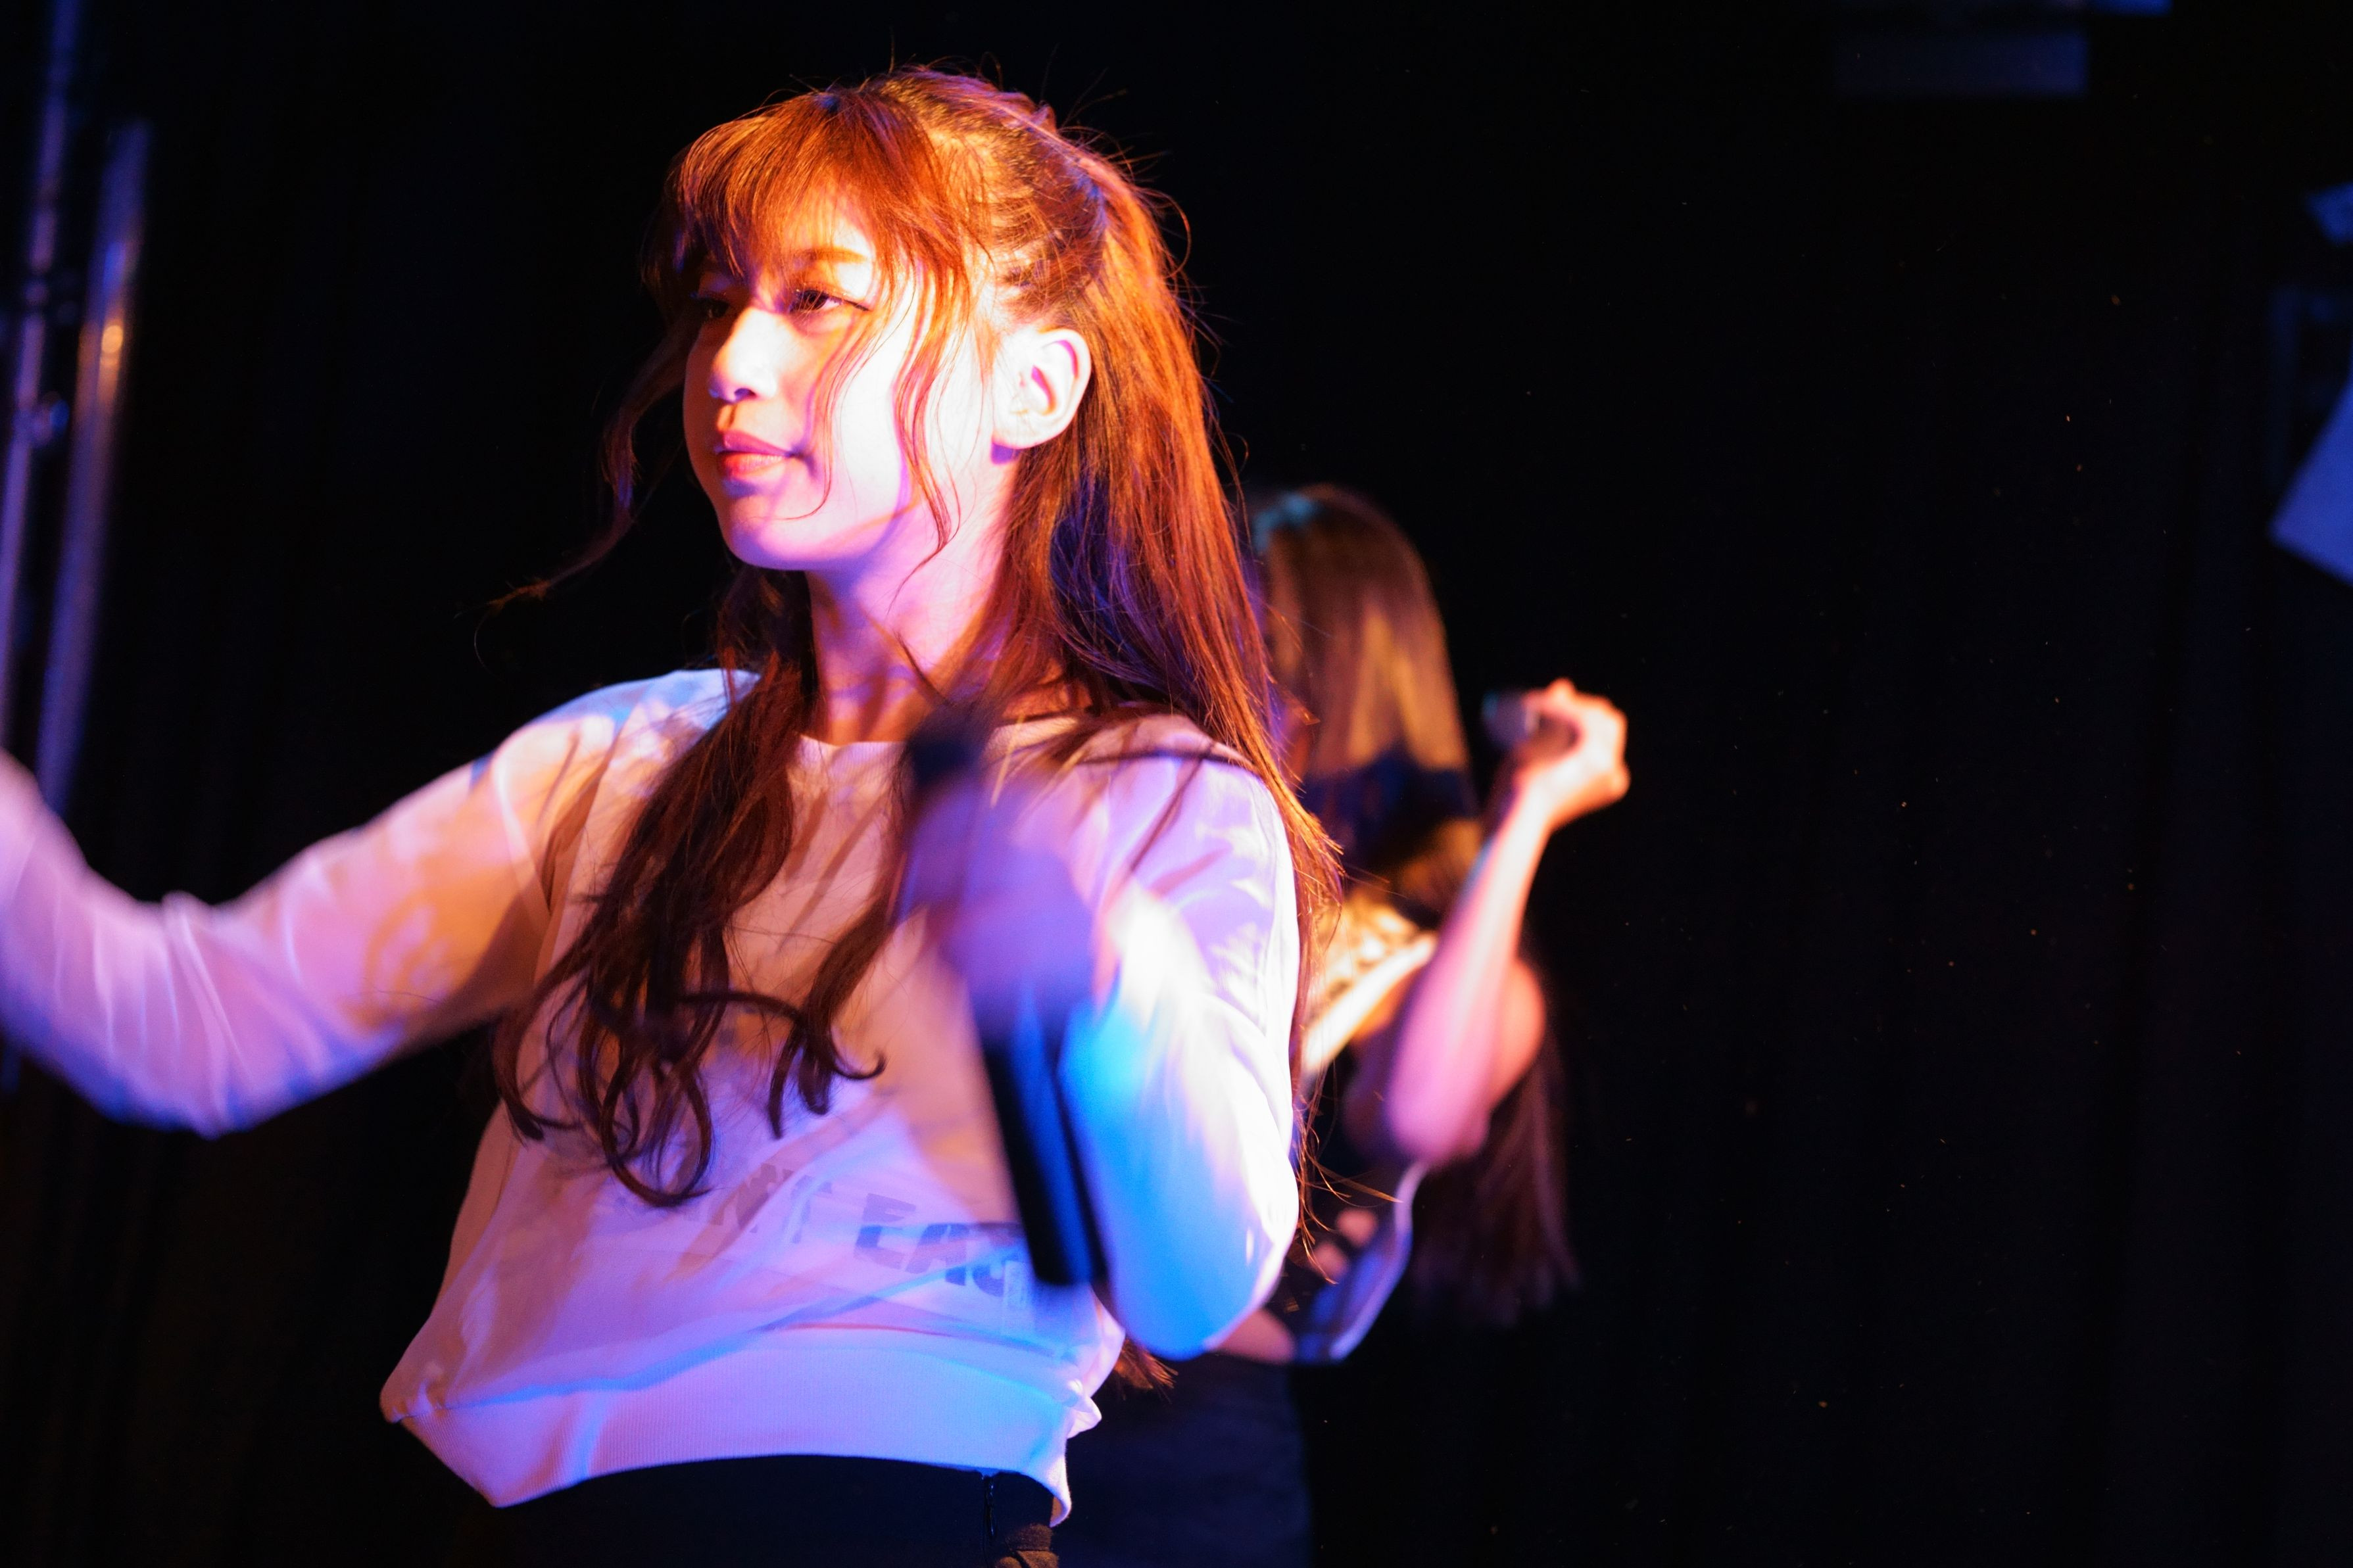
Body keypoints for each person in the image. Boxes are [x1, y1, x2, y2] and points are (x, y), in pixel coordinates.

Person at [0, 70, 1334, 1568]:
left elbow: (1196, 1282)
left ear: (1035, 387)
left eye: (819, 301)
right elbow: (188, 1022)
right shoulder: (623, 758)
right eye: (716, 304)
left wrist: (1093, 966)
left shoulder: (1151, 796)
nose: (732, 363)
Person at [1054, 485, 1629, 1568]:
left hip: (1181, 1451)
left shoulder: (1427, 954)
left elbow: (1416, 1111)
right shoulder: (1168, 843)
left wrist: (1526, 813)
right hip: (1018, 1379)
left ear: (1333, 674)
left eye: (1240, 631)